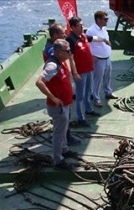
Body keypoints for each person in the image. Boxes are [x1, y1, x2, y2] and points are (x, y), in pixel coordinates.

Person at [35, 39, 80, 169]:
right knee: (59, 133)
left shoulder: (61, 62)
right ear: (59, 52)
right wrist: (53, 98)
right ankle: (58, 160)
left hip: (65, 104)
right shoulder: (52, 66)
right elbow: (39, 82)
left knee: (64, 129)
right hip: (58, 107)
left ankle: (64, 150)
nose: (70, 53)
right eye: (67, 51)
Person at [43, 22, 82, 144]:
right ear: (54, 35)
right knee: (63, 116)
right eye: (62, 33)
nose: (65, 35)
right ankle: (65, 139)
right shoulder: (51, 49)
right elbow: (40, 81)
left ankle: (65, 136)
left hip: (63, 81)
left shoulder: (58, 46)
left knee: (67, 113)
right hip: (57, 87)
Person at [67, 16, 108, 127]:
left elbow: (94, 38)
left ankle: (88, 110)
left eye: (82, 25)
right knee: (80, 96)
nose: (82, 27)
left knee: (88, 92)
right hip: (80, 72)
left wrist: (103, 40)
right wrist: (74, 73)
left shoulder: (83, 36)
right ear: (73, 27)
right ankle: (81, 118)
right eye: (80, 26)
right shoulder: (71, 40)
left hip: (89, 69)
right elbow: (70, 58)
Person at [86, 10, 117, 108]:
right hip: (98, 60)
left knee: (107, 76)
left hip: (107, 58)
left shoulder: (104, 29)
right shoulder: (91, 31)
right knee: (97, 79)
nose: (107, 21)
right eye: (105, 19)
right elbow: (87, 45)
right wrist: (91, 57)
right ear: (98, 20)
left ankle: (108, 92)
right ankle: (96, 98)